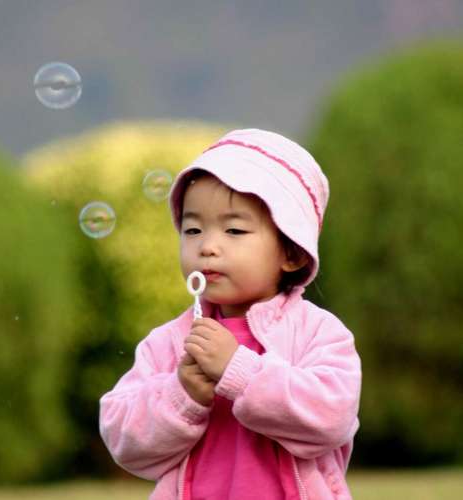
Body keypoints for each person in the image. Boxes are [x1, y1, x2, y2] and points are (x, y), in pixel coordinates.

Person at [100, 128, 362, 499]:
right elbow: (121, 438)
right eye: (193, 229)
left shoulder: (317, 332)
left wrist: (239, 372)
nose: (207, 246)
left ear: (292, 252)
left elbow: (332, 417)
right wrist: (181, 395)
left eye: (234, 230)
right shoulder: (170, 343)